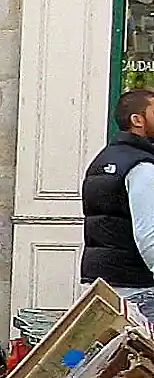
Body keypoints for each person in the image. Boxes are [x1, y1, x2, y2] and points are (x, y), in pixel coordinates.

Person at [81, 88, 154, 323]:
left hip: (105, 284)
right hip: (139, 290)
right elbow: (149, 236)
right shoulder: (142, 167)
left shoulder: (102, 161)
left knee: (100, 353)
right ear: (137, 119)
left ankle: (69, 362)